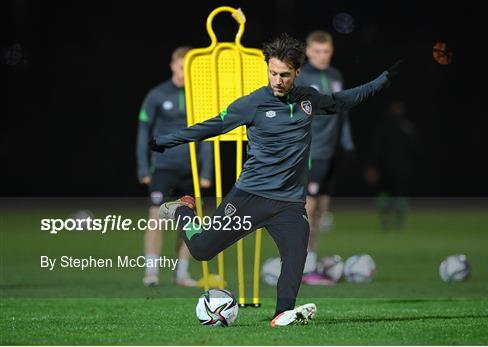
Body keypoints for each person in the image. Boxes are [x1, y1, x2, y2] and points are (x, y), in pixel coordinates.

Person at [150, 34, 400, 326]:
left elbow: (339, 102)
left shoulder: (307, 99)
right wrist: (167, 140)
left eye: (284, 74)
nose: (277, 80)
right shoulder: (252, 104)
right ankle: (181, 209)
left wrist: (380, 82)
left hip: (289, 204)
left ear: (296, 72)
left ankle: (282, 313)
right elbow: (211, 127)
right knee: (202, 250)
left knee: (297, 256)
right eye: (272, 73)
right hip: (249, 197)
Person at [136, 46, 213, 287]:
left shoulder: (200, 96)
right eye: (181, 67)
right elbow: (143, 133)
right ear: (172, 65)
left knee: (188, 222)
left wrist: (206, 170)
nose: (183, 72)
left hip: (190, 170)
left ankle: (181, 274)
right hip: (163, 167)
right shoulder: (157, 95)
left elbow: (208, 135)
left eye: (188, 68)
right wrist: (142, 167)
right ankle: (151, 272)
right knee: (156, 217)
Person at [295, 30, 356, 285]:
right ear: (308, 52)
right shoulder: (301, 78)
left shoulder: (335, 76)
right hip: (311, 152)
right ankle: (300, 266)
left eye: (327, 51)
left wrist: (348, 144)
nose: (322, 56)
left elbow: (342, 111)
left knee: (320, 210)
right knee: (306, 209)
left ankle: (310, 261)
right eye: (317, 51)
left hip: (331, 153)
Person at [365, 99, 419, 230]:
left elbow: (415, 150)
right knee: (386, 194)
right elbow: (376, 149)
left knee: (398, 195)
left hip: (398, 168)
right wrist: (373, 167)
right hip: (388, 168)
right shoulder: (387, 128)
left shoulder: (407, 128)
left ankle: (397, 221)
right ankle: (386, 220)